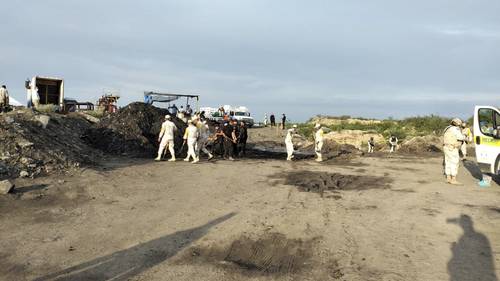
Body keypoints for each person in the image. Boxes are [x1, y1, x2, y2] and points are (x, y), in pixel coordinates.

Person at [443, 118, 466, 185]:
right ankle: (453, 179)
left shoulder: (447, 128)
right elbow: (460, 137)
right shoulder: (455, 129)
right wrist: (465, 136)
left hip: (446, 147)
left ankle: (448, 178)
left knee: (447, 162)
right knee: (454, 162)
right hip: (452, 147)